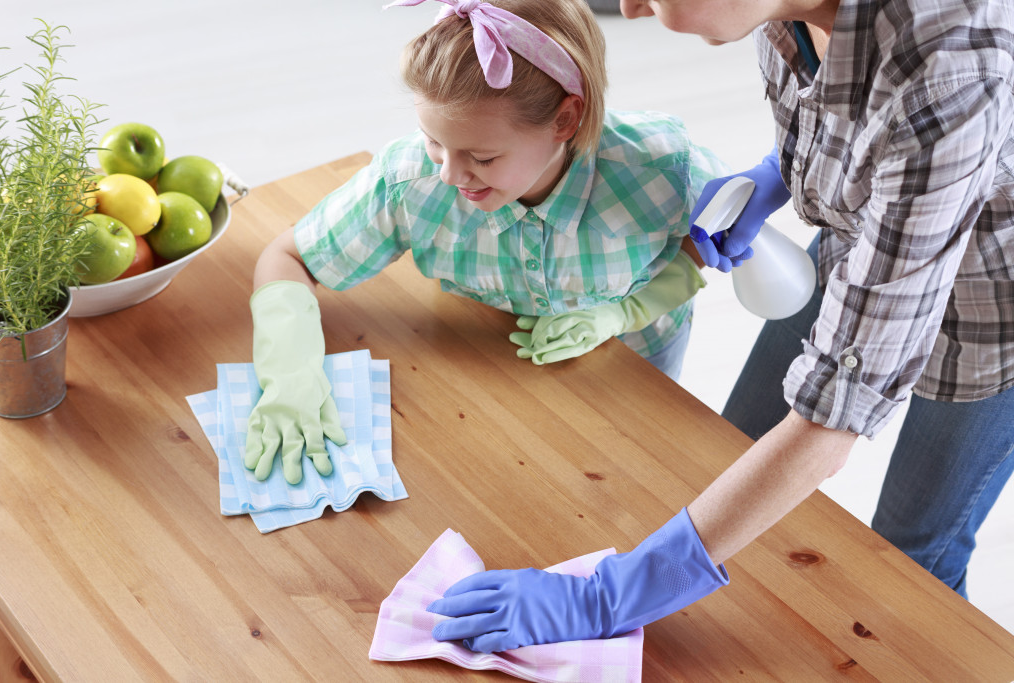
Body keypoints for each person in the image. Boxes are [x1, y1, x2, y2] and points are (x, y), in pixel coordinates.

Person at [425, 0, 1014, 653]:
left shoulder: (955, 65)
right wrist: (775, 174)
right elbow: (865, 130)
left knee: (911, 558)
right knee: (725, 455)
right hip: (870, 246)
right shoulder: (783, 15)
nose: (630, 7)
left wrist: (609, 594)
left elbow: (830, 422)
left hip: (996, 313)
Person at [245, 0, 730, 485]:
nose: (449, 175)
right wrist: (290, 374)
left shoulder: (664, 169)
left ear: (565, 121)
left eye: (481, 156)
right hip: (492, 387)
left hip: (638, 374)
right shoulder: (410, 180)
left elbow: (712, 241)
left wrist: (627, 312)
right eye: (433, 140)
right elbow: (288, 258)